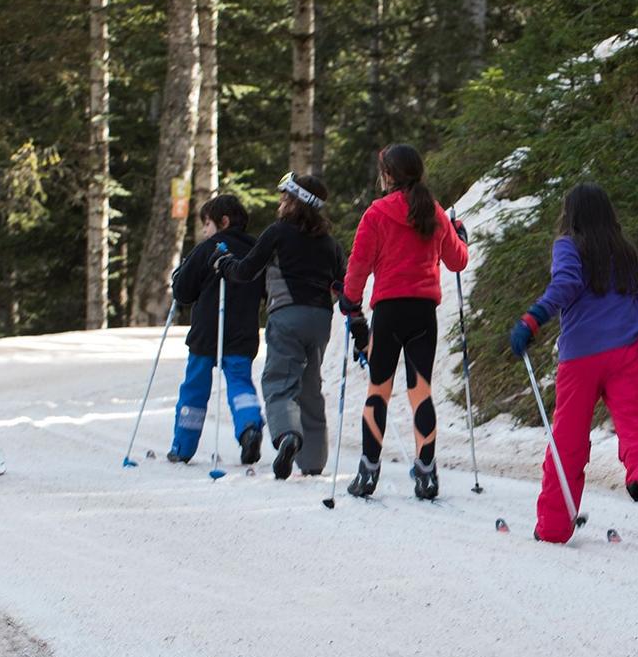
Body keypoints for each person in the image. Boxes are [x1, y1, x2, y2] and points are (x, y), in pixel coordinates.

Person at [509, 184, 638, 546]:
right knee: (637, 427)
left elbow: (566, 283)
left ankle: (553, 526)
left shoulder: (569, 245)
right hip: (627, 352)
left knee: (567, 438)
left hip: (580, 356)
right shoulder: (623, 250)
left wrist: (531, 319)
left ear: (571, 215)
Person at [340, 143, 470, 499]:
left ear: (389, 175)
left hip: (389, 312)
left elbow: (359, 265)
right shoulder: (435, 212)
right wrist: (459, 236)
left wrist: (350, 303)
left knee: (378, 390)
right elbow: (458, 262)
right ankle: (427, 473)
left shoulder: (377, 213)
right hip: (423, 313)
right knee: (421, 392)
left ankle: (368, 472)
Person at [217, 172, 344, 479]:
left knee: (280, 383)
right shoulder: (329, 243)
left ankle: (288, 435)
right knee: (310, 386)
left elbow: (247, 270)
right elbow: (343, 282)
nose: (279, 201)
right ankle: (313, 461)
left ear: (294, 202)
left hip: (287, 315)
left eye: (284, 196)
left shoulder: (278, 232)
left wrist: (225, 265)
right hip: (321, 319)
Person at [168, 195, 265, 465]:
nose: (204, 230)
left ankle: (183, 446)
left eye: (207, 224)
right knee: (240, 384)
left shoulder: (208, 248)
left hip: (206, 332)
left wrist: (179, 277)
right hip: (243, 331)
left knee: (195, 387)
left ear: (223, 222)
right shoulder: (257, 249)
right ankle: (249, 429)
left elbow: (183, 292)